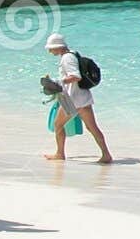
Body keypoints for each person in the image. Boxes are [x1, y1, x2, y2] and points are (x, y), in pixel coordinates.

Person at [42, 33, 112, 163]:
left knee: (58, 125)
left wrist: (58, 81)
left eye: (51, 48)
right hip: (82, 98)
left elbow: (76, 76)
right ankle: (106, 154)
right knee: (92, 128)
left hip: (72, 100)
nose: (49, 51)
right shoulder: (73, 54)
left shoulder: (66, 58)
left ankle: (60, 153)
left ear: (58, 47)